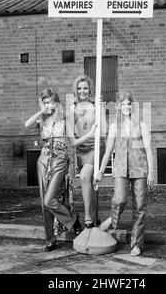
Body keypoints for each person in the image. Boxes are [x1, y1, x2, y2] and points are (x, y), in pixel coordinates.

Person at [25, 88, 88, 252]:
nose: (49, 105)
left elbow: (73, 142)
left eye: (51, 101)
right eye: (45, 102)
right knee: (44, 202)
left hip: (60, 158)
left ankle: (73, 220)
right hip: (43, 160)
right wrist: (41, 110)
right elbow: (26, 124)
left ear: (56, 102)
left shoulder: (64, 119)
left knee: (50, 199)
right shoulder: (43, 120)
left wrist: (91, 134)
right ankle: (50, 239)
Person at [95, 91, 154, 256]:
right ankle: (112, 221)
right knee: (119, 199)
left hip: (140, 170)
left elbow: (149, 150)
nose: (126, 106)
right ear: (118, 107)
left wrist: (151, 172)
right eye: (123, 103)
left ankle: (136, 244)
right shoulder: (114, 127)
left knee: (140, 207)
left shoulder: (141, 126)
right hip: (120, 169)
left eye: (129, 103)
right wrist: (100, 170)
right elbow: (108, 152)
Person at [67, 75, 106, 228]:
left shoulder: (96, 106)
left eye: (85, 88)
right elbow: (72, 136)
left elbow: (104, 129)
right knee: (88, 182)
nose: (82, 91)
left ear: (90, 89)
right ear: (76, 90)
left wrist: (102, 109)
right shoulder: (72, 108)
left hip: (96, 146)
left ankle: (88, 217)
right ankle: (96, 217)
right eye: (79, 88)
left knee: (83, 177)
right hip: (81, 147)